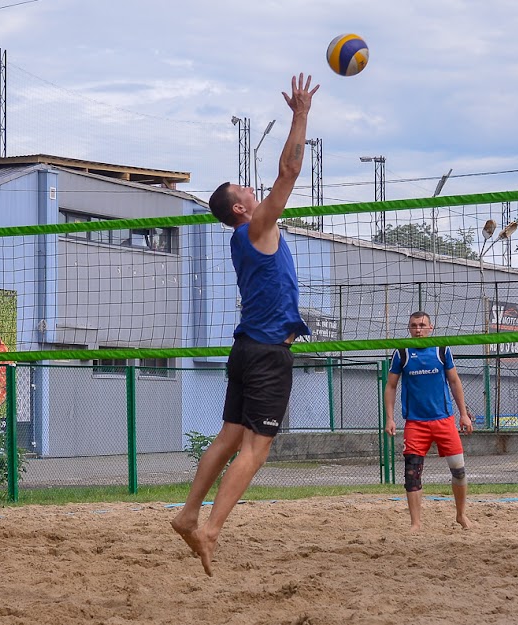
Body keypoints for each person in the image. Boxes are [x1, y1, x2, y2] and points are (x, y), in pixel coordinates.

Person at [170, 73, 319, 576]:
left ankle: (189, 514)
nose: (256, 189)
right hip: (268, 355)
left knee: (229, 438)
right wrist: (301, 115)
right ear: (241, 207)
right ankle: (210, 530)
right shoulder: (257, 226)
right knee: (255, 450)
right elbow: (290, 172)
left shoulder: (243, 237)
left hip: (245, 351)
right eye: (246, 189)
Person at [383, 311, 473, 532]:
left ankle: (461, 515)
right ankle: (416, 523)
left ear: (431, 328)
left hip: (444, 421)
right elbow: (391, 386)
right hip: (415, 423)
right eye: (414, 326)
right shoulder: (402, 353)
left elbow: (454, 381)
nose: (418, 329)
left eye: (422, 325)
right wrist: (389, 418)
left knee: (459, 471)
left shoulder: (442, 350)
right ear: (409, 328)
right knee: (411, 474)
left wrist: (463, 414)